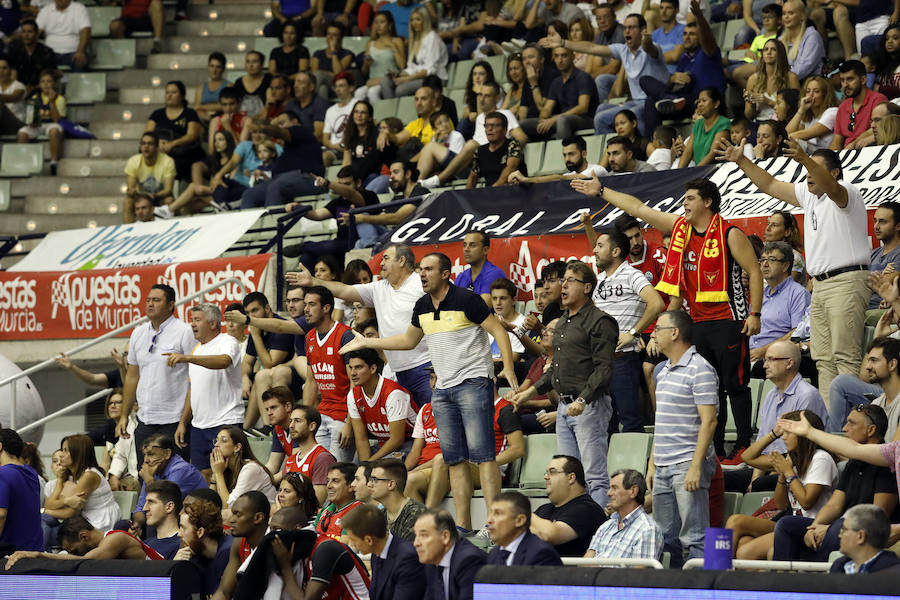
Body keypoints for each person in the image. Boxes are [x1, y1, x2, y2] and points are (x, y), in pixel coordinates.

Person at [341, 252, 519, 533]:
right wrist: (369, 342)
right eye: (420, 269)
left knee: (483, 457)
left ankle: (494, 523)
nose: (422, 274)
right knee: (454, 460)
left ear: (445, 274)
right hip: (443, 389)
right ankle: (463, 525)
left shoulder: (467, 299)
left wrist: (507, 367)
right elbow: (408, 340)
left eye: (428, 269)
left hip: (473, 382)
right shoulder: (422, 305)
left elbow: (498, 331)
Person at [719, 139, 869, 410]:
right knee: (823, 359)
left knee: (844, 356)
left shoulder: (846, 191)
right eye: (807, 170)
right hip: (820, 285)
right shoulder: (809, 195)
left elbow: (832, 187)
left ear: (834, 172)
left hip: (846, 281)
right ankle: (830, 422)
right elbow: (770, 185)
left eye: (815, 169)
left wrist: (805, 159)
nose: (808, 174)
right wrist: (741, 161)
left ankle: (854, 422)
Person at [510, 260, 617, 504]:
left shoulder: (600, 321)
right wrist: (529, 393)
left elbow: (604, 369)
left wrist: (582, 399)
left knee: (594, 475)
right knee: (568, 477)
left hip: (589, 406)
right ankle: (576, 521)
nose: (564, 285)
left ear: (587, 288)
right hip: (563, 407)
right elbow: (555, 369)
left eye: (570, 280)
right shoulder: (563, 322)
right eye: (563, 280)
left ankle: (598, 526)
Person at [286, 243, 433, 409]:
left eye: (386, 258)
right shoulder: (379, 288)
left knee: (432, 421)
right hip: (396, 371)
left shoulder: (421, 284)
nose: (381, 263)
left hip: (424, 366)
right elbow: (345, 290)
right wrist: (314, 281)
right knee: (408, 423)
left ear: (402, 261)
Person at [775, 408, 899, 561]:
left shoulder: (887, 464)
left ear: (871, 430)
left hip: (869, 529)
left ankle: (820, 573)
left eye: (851, 423)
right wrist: (813, 527)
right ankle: (784, 577)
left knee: (839, 527)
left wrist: (829, 528)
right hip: (842, 525)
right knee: (786, 525)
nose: (844, 428)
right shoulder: (854, 462)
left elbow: (877, 515)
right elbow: (834, 505)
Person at [648, 310, 719, 566]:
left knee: (695, 538)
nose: (653, 334)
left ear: (674, 333)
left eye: (658, 329)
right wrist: (652, 463)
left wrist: (696, 466)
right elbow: (662, 422)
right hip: (663, 464)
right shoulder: (663, 371)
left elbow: (709, 421)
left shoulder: (700, 368)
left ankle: (700, 587)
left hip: (687, 462)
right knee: (665, 539)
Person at [583, 227, 665, 433]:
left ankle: (635, 456)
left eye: (600, 246)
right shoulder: (599, 279)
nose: (594, 250)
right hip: (598, 361)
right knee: (604, 424)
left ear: (615, 251)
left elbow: (657, 303)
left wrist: (634, 333)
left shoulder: (632, 275)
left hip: (623, 359)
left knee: (630, 421)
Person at [725, 410, 837, 559]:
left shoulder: (821, 459)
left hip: (812, 525)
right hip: (789, 522)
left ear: (802, 434)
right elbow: (747, 457)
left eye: (788, 433)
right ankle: (717, 569)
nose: (783, 437)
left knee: (745, 551)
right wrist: (774, 434)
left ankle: (717, 570)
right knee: (738, 529)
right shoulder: (793, 459)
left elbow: (806, 502)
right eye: (782, 433)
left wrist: (788, 471)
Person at [542, 13, 668, 136]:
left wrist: (647, 43)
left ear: (643, 30)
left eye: (631, 27)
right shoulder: (623, 50)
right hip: (635, 102)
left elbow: (650, 49)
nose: (627, 31)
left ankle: (643, 146)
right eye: (625, 28)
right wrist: (563, 43)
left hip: (654, 101)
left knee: (632, 114)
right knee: (601, 113)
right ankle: (616, 147)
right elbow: (592, 48)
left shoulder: (653, 48)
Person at [163, 304, 245, 474]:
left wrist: (188, 358)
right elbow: (193, 389)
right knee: (203, 476)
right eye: (191, 320)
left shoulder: (227, 341)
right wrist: (183, 422)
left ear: (213, 323)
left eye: (197, 320)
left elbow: (224, 361)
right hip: (199, 426)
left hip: (225, 421)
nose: (192, 324)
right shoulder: (196, 349)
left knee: (228, 474)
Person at [295, 286, 355, 462]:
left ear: (326, 308)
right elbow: (311, 381)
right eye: (305, 304)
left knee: (336, 471)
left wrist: (350, 423)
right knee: (315, 467)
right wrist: (304, 419)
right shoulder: (310, 337)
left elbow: (355, 383)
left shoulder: (345, 335)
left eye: (312, 304)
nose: (306, 309)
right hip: (321, 414)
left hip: (343, 416)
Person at [239, 111, 326, 208]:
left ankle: (272, 218)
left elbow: (280, 132)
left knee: (277, 185)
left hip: (310, 179)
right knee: (250, 194)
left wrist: (263, 128)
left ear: (295, 121)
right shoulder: (289, 146)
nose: (279, 126)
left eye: (281, 123)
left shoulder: (300, 131)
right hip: (281, 181)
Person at [749, 242, 812, 371]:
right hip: (751, 355)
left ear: (785, 266)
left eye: (771, 260)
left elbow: (797, 333)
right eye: (762, 260)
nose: (765, 264)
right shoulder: (760, 294)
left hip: (776, 359)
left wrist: (764, 351)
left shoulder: (798, 294)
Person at [343, 502, 426, 600]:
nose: (352, 544)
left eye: (353, 540)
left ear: (368, 540)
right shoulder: (376, 554)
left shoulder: (408, 559)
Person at [7, 515, 164, 567]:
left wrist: (39, 555)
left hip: (165, 583)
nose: (75, 554)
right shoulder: (107, 542)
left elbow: (86, 561)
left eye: (74, 550)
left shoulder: (116, 538)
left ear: (83, 536)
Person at [346, 349, 417, 461]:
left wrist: (369, 464)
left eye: (358, 367)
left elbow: (397, 440)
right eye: (351, 368)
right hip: (383, 444)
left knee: (381, 469)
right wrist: (364, 464)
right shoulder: (353, 395)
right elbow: (361, 439)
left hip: (409, 442)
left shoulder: (393, 393)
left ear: (373, 368)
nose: (353, 373)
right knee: (354, 469)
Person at [237, 292, 295, 429]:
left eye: (255, 310)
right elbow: (247, 362)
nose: (251, 316)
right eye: (248, 313)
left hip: (290, 379)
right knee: (258, 377)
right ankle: (249, 428)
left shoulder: (280, 326)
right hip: (269, 378)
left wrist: (256, 336)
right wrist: (244, 377)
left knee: (262, 375)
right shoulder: (256, 328)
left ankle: (267, 426)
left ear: (267, 308)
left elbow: (270, 363)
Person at [531, 455, 607, 557]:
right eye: (546, 473)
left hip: (565, 567)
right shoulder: (544, 509)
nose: (546, 477)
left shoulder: (588, 509)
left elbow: (549, 534)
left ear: (571, 478)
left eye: (552, 472)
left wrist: (523, 512)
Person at [132, 434, 207, 537]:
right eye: (145, 455)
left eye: (151, 454)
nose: (146, 460)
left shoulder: (181, 469)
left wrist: (149, 480)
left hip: (197, 519)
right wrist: (136, 524)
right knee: (123, 525)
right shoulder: (153, 470)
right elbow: (141, 507)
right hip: (174, 515)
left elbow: (163, 503)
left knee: (156, 519)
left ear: (167, 453)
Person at [520, 45, 599, 141]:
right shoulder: (556, 82)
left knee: (562, 120)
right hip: (563, 118)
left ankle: (561, 150)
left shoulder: (583, 77)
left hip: (585, 119)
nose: (560, 60)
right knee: (522, 125)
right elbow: (547, 108)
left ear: (573, 57)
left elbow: (583, 107)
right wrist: (543, 118)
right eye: (556, 56)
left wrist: (555, 119)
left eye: (564, 56)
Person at [584, 469, 663, 560]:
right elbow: (586, 562)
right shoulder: (606, 526)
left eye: (614, 488)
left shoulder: (648, 530)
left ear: (633, 491)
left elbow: (641, 569)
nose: (608, 493)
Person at [415, 509, 487, 600]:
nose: (416, 543)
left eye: (423, 535)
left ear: (445, 536)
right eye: (416, 535)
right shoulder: (432, 563)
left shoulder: (469, 561)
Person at [211, 491, 271, 600]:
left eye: (238, 515)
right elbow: (224, 592)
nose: (231, 520)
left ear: (258, 517)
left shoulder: (274, 546)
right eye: (232, 514)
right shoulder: (239, 543)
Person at [145, 81, 206, 183]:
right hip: (159, 149)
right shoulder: (157, 114)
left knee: (173, 164)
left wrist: (172, 144)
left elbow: (192, 135)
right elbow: (147, 134)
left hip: (183, 152)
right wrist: (157, 143)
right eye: (167, 92)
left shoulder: (190, 113)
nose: (169, 95)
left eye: (173, 92)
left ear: (182, 95)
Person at [381, 7, 448, 99]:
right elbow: (412, 67)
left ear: (425, 21)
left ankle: (398, 107)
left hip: (434, 79)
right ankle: (390, 107)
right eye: (412, 20)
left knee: (401, 90)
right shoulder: (415, 40)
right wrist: (399, 74)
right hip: (418, 77)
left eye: (418, 19)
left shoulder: (432, 37)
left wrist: (407, 79)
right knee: (385, 81)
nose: (414, 23)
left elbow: (430, 70)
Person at [486, 490, 562, 566]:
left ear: (519, 520)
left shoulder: (541, 554)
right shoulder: (494, 553)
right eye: (491, 513)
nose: (489, 520)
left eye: (498, 513)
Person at [176, 499, 234, 597]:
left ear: (200, 532)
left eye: (183, 528)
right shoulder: (195, 558)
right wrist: (176, 567)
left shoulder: (229, 552)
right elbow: (193, 597)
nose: (179, 534)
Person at [211, 427, 276, 512]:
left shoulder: (251, 468)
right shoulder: (223, 468)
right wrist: (214, 477)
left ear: (237, 447)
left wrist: (218, 474)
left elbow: (231, 506)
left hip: (263, 516)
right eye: (216, 440)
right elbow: (210, 503)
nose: (216, 445)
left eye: (223, 440)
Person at [283, 406, 336, 506]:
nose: (291, 426)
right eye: (290, 421)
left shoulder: (323, 458)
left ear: (312, 426)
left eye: (297, 421)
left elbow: (316, 503)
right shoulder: (290, 460)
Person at [831, 60, 889, 150]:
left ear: (863, 80)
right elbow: (836, 142)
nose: (845, 85)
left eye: (850, 79)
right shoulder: (843, 106)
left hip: (869, 151)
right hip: (846, 154)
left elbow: (881, 128)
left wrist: (853, 144)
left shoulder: (878, 100)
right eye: (842, 80)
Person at [16, 69, 65, 175]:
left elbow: (57, 120)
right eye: (43, 81)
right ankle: (24, 161)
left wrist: (51, 101)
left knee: (54, 131)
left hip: (52, 124)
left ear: (54, 84)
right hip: (38, 125)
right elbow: (29, 118)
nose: (46, 84)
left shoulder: (60, 98)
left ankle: (54, 162)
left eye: (49, 81)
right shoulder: (34, 98)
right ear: (39, 85)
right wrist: (31, 122)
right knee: (22, 133)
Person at [0, 428, 42, 551]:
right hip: (34, 550)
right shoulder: (32, 473)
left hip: (12, 554)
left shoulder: (3, 473)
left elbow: (1, 515)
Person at [122, 131, 176, 223]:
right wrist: (132, 192)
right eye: (143, 143)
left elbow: (168, 190)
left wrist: (154, 196)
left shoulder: (167, 161)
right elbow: (131, 188)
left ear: (156, 147)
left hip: (159, 197)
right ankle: (129, 229)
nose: (146, 147)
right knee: (127, 201)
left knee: (169, 200)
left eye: (150, 144)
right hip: (141, 197)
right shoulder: (133, 161)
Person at [509, 135, 608, 184]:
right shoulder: (568, 175)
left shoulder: (597, 170)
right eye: (564, 155)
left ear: (584, 154)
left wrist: (526, 179)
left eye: (571, 154)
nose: (567, 159)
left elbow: (560, 178)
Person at [368, 458, 426, 542]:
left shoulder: (416, 514)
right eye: (370, 480)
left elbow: (407, 549)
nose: (369, 484)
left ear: (391, 484)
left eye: (375, 480)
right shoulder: (380, 515)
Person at [831, 504, 900, 573]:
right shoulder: (839, 566)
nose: (839, 535)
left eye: (844, 530)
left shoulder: (892, 571)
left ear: (860, 536)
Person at [467, 111, 523, 188]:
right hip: (490, 192)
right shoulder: (480, 151)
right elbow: (472, 179)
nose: (489, 129)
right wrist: (466, 195)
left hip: (513, 191)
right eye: (486, 126)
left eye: (494, 126)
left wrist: (492, 191)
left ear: (505, 130)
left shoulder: (513, 145)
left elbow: (510, 169)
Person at [679, 88, 730, 167]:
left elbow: (712, 154)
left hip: (718, 170)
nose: (700, 104)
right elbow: (688, 152)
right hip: (700, 171)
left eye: (704, 100)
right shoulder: (698, 124)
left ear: (716, 103)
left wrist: (696, 172)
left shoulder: (723, 123)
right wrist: (679, 172)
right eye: (699, 101)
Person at [787, 76, 839, 153]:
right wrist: (801, 110)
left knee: (794, 142)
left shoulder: (832, 112)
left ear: (825, 95)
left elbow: (804, 134)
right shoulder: (808, 117)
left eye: (816, 91)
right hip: (812, 153)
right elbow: (787, 132)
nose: (810, 95)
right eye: (808, 91)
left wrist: (782, 139)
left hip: (828, 154)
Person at [455, 231, 507, 305]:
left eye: (472, 245)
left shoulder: (495, 274)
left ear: (485, 250)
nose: (466, 249)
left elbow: (482, 307)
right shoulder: (461, 277)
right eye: (464, 245)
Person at [35, 0, 90, 71]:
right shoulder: (46, 9)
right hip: (50, 53)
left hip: (73, 52)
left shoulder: (79, 8)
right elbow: (36, 31)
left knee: (80, 61)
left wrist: (80, 51)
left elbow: (85, 30)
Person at [778, 0, 825, 81]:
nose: (786, 17)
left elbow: (802, 70)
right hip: (785, 81)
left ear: (802, 16)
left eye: (791, 13)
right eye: (784, 13)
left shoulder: (812, 37)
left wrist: (778, 78)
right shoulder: (781, 39)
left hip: (809, 84)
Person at [314, 462, 362, 540]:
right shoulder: (324, 511)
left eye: (335, 481)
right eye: (328, 481)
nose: (328, 486)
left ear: (351, 486)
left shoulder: (358, 512)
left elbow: (344, 545)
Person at [4, 20, 56, 90]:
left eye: (30, 32)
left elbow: (49, 77)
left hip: (41, 90)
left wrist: (34, 88)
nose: (26, 35)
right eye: (23, 31)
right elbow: (11, 74)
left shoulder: (46, 52)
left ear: (37, 34)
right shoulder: (14, 51)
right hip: (17, 90)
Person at [141, 480, 182, 559]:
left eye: (151, 502)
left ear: (169, 507)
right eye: (146, 502)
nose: (144, 508)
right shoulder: (145, 544)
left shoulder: (181, 546)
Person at [322, 73, 356, 166]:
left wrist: (343, 144)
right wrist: (333, 146)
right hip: (332, 148)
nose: (337, 89)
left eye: (341, 86)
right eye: (336, 86)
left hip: (349, 147)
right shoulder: (330, 110)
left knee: (324, 157)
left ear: (351, 88)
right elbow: (325, 138)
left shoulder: (357, 105)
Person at [284, 71, 327, 142]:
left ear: (311, 87)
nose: (295, 86)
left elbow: (318, 135)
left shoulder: (320, 104)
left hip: (309, 144)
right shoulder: (291, 104)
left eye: (300, 82)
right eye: (295, 82)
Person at [193, 52, 230, 121]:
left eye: (218, 67)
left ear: (223, 69)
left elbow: (226, 106)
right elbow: (196, 108)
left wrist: (202, 107)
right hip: (204, 120)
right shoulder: (201, 88)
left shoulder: (229, 86)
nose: (214, 70)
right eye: (212, 66)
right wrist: (210, 119)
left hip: (223, 121)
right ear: (208, 67)